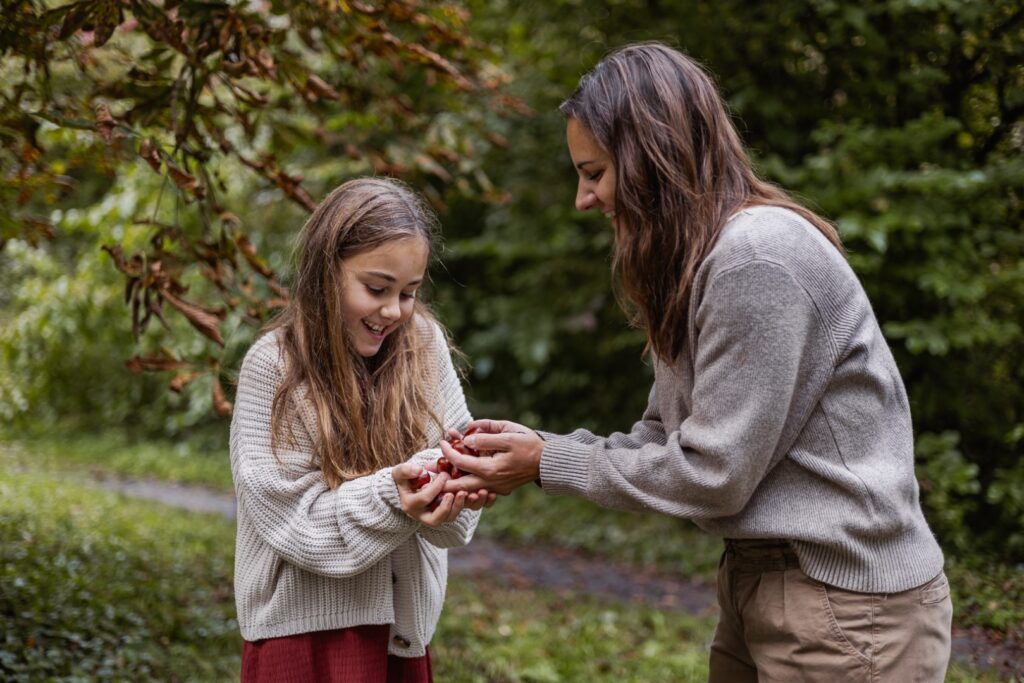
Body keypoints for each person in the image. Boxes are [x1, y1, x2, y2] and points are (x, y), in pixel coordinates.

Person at [442, 42, 953, 681]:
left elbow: (714, 473)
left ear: (652, 155)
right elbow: (666, 437)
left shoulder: (754, 259)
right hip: (762, 579)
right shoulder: (697, 264)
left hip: (842, 601)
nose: (583, 198)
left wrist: (549, 464)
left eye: (595, 172)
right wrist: (539, 449)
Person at [229, 176, 493, 683]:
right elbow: (296, 524)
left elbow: (453, 526)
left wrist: (460, 483)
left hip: (401, 636)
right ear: (326, 273)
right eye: (376, 289)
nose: (393, 311)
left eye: (409, 293)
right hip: (301, 643)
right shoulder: (273, 368)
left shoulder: (423, 348)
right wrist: (397, 498)